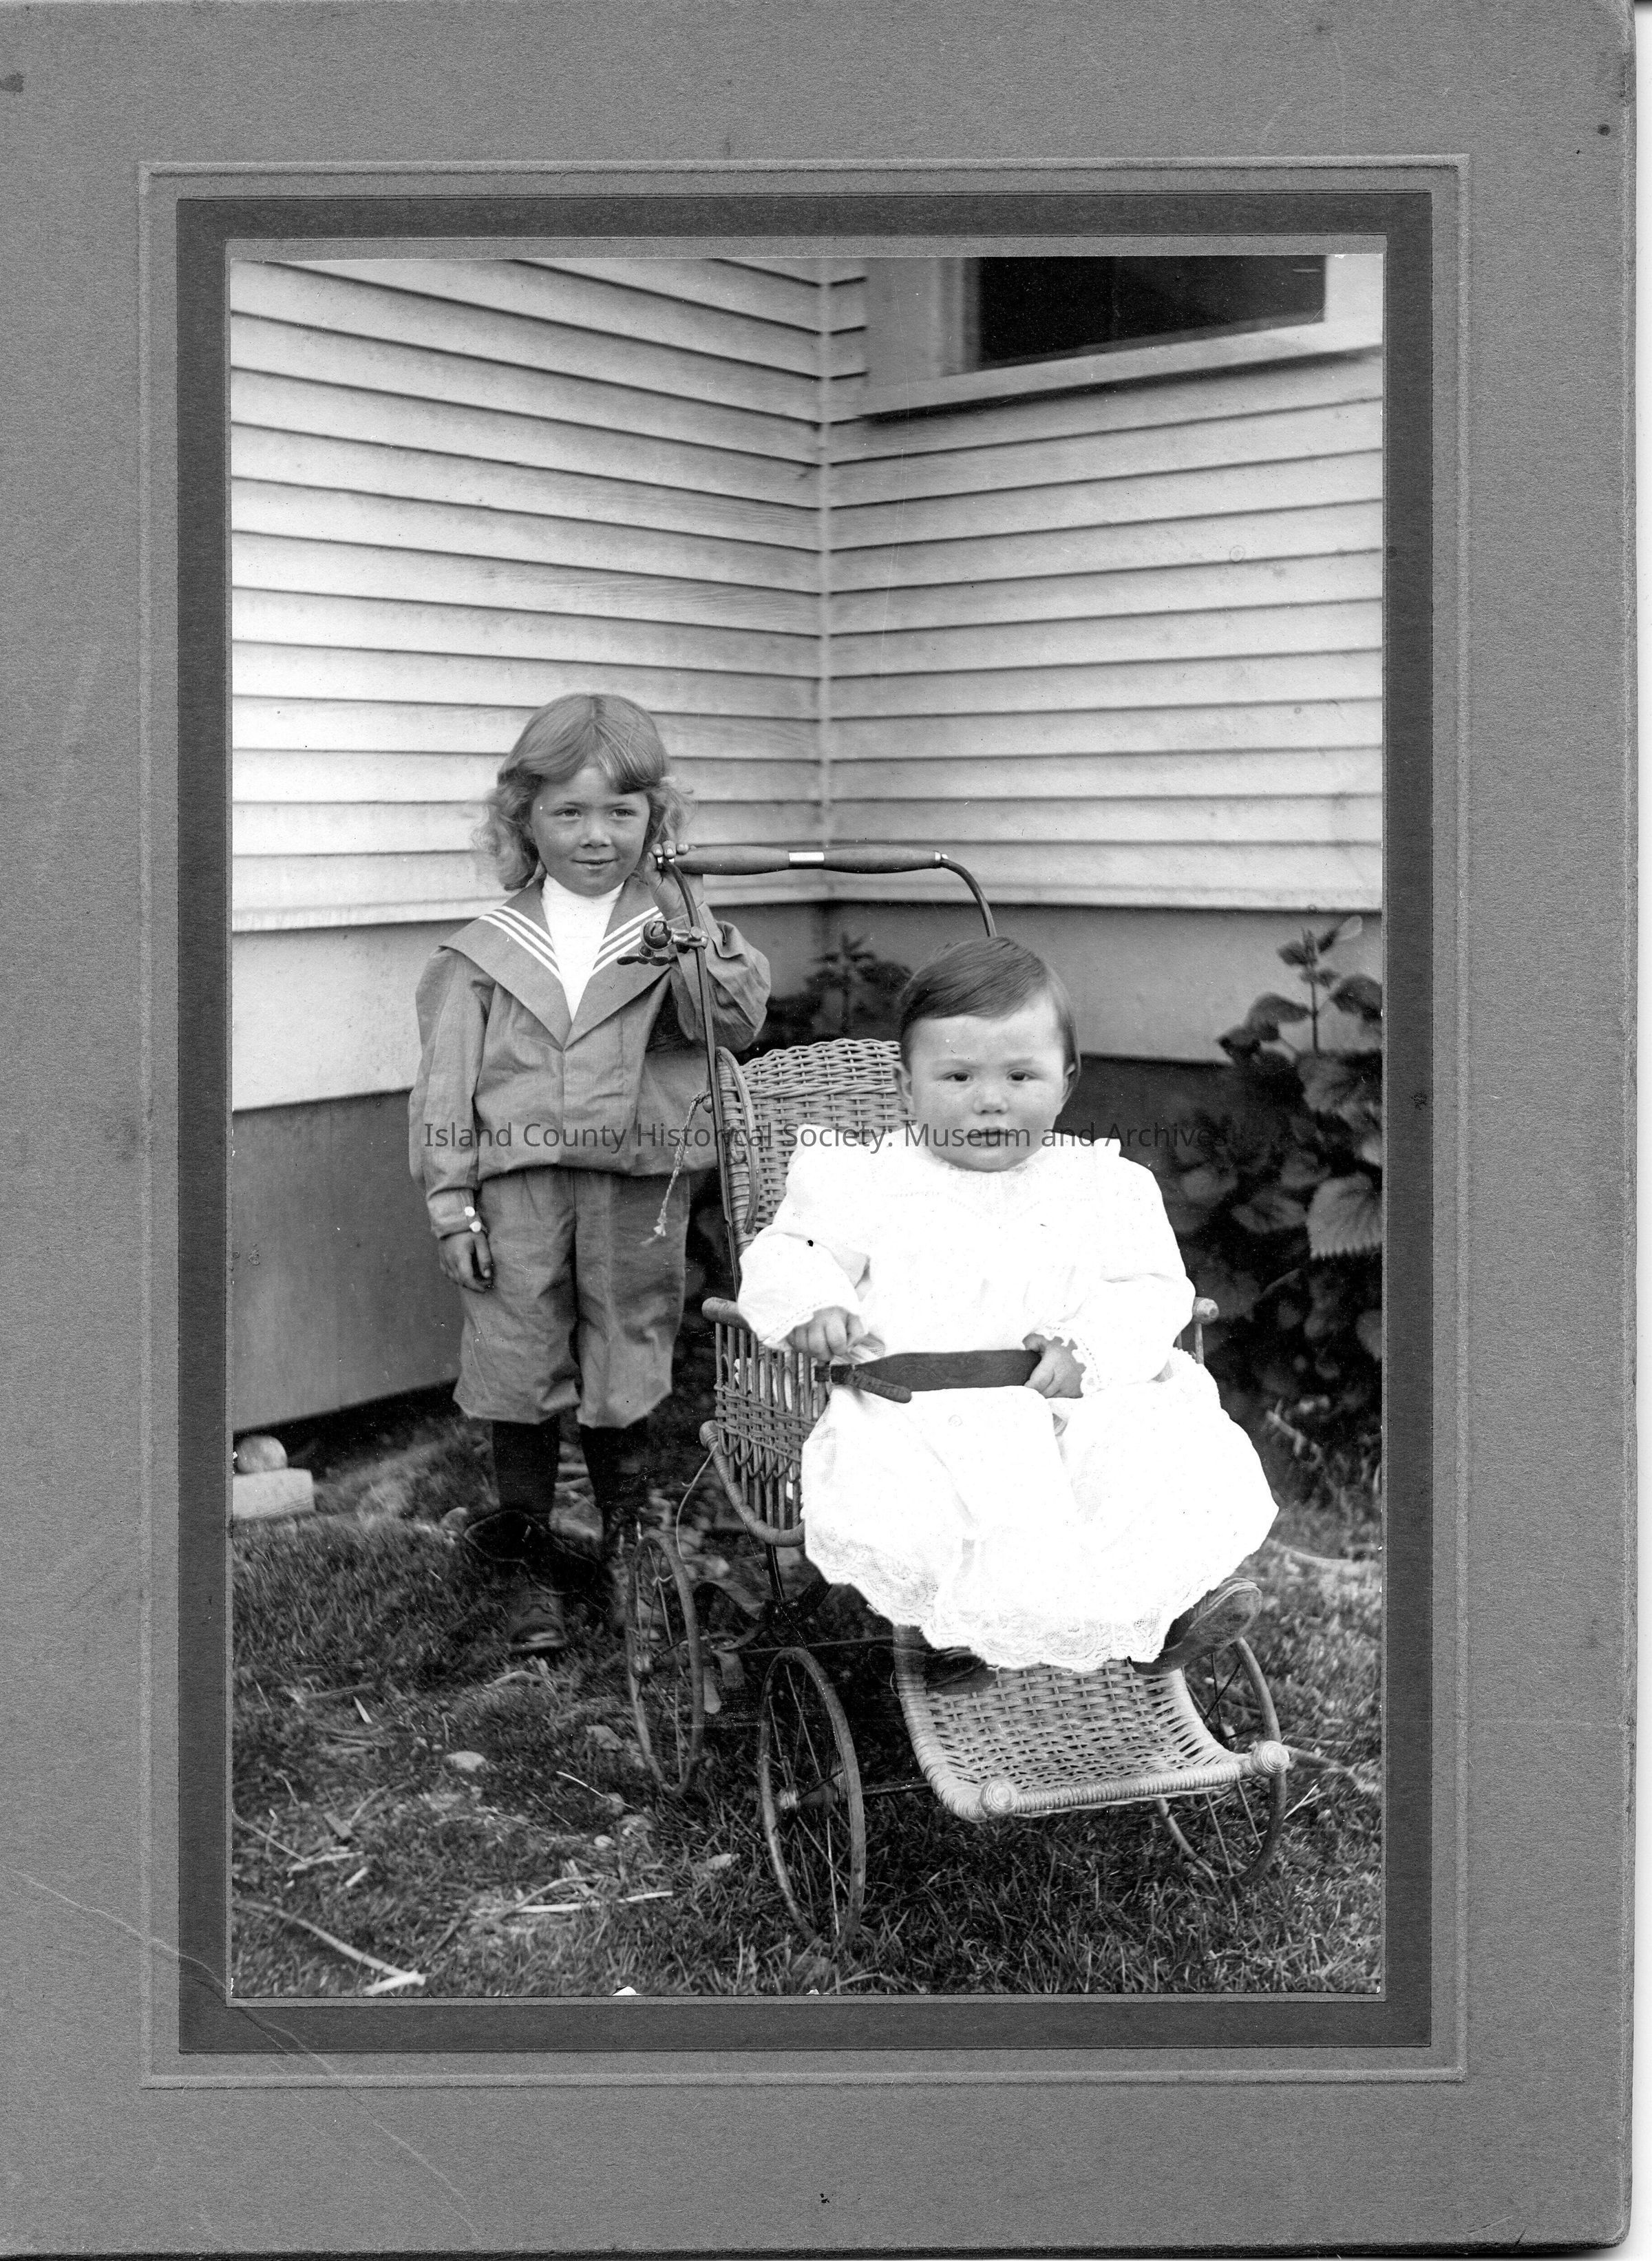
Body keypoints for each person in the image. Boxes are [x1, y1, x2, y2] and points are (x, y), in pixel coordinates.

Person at [734, 936, 1276, 1679]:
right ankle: (961, 1630)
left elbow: (1151, 1288)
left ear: (1065, 1082)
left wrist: (1088, 1348)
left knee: (1145, 1456)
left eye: (1021, 1075)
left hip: (1064, 1400)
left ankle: (1165, 1613)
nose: (990, 1099)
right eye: (957, 1076)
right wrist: (818, 1302)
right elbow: (794, 1248)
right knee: (927, 1501)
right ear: (906, 1087)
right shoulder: (865, 1177)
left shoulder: (1101, 1184)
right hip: (920, 1409)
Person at [409, 693, 770, 1654]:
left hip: (635, 1182)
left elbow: (733, 1026)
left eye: (621, 811)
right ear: (523, 818)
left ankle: (629, 1546)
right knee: (517, 1359)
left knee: (627, 1352)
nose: (596, 835)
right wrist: (452, 1206)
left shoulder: (673, 928)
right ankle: (527, 1556)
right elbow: (444, 1089)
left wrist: (692, 918)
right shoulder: (486, 951)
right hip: (516, 1191)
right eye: (568, 812)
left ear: (658, 817)